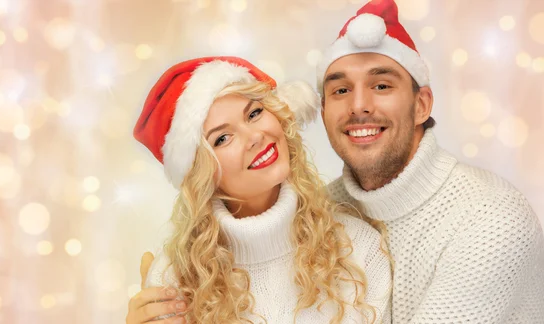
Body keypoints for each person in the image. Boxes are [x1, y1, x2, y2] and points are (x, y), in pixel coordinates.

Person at [316, 0, 544, 323]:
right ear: (323, 112)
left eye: (381, 85)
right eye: (340, 90)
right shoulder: (316, 217)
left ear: (422, 105)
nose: (359, 106)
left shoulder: (492, 218)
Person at [127, 56, 392, 323]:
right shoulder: (173, 281)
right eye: (222, 138)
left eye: (254, 114)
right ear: (200, 175)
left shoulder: (357, 249)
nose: (255, 137)